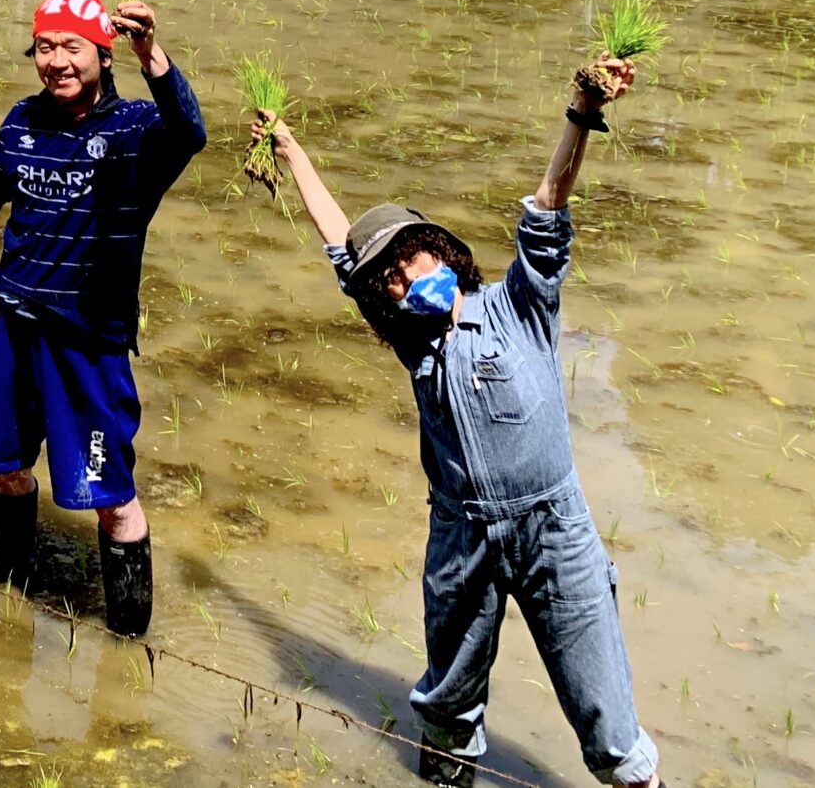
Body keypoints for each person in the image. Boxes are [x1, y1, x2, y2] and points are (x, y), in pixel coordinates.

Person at [261, 61, 662, 788]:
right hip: (462, 535)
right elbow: (339, 245)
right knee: (448, 704)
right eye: (389, 279)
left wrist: (580, 108)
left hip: (554, 529)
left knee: (606, 715)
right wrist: (290, 150)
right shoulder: (417, 348)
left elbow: (548, 202)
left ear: (441, 251)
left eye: (410, 258)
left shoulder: (518, 304)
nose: (405, 279)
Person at [0, 0, 201, 635]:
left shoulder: (132, 131)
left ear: (102, 53)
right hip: (16, 321)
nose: (56, 60)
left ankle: (130, 645)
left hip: (90, 342)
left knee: (111, 498)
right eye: (45, 47)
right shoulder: (23, 119)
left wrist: (152, 51)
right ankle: (12, 594)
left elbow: (191, 130)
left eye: (71, 46)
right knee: (5, 467)